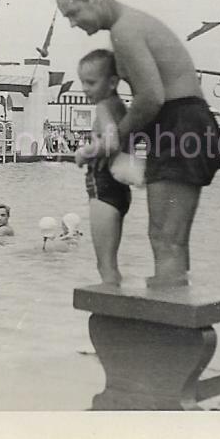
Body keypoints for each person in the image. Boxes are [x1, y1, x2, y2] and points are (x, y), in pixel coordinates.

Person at [57, 0, 220, 287]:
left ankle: (170, 327)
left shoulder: (125, 30)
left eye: (73, 13)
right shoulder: (131, 26)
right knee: (169, 238)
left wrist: (111, 141)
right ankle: (175, 313)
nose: (73, 24)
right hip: (185, 125)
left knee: (165, 238)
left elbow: (151, 96)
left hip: (181, 125)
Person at [73, 49, 134, 285]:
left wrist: (84, 153)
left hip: (103, 187)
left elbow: (111, 142)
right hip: (120, 189)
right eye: (82, 82)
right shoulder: (121, 107)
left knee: (105, 265)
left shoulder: (104, 107)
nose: (85, 88)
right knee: (111, 263)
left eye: (90, 82)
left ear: (112, 82)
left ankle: (113, 313)